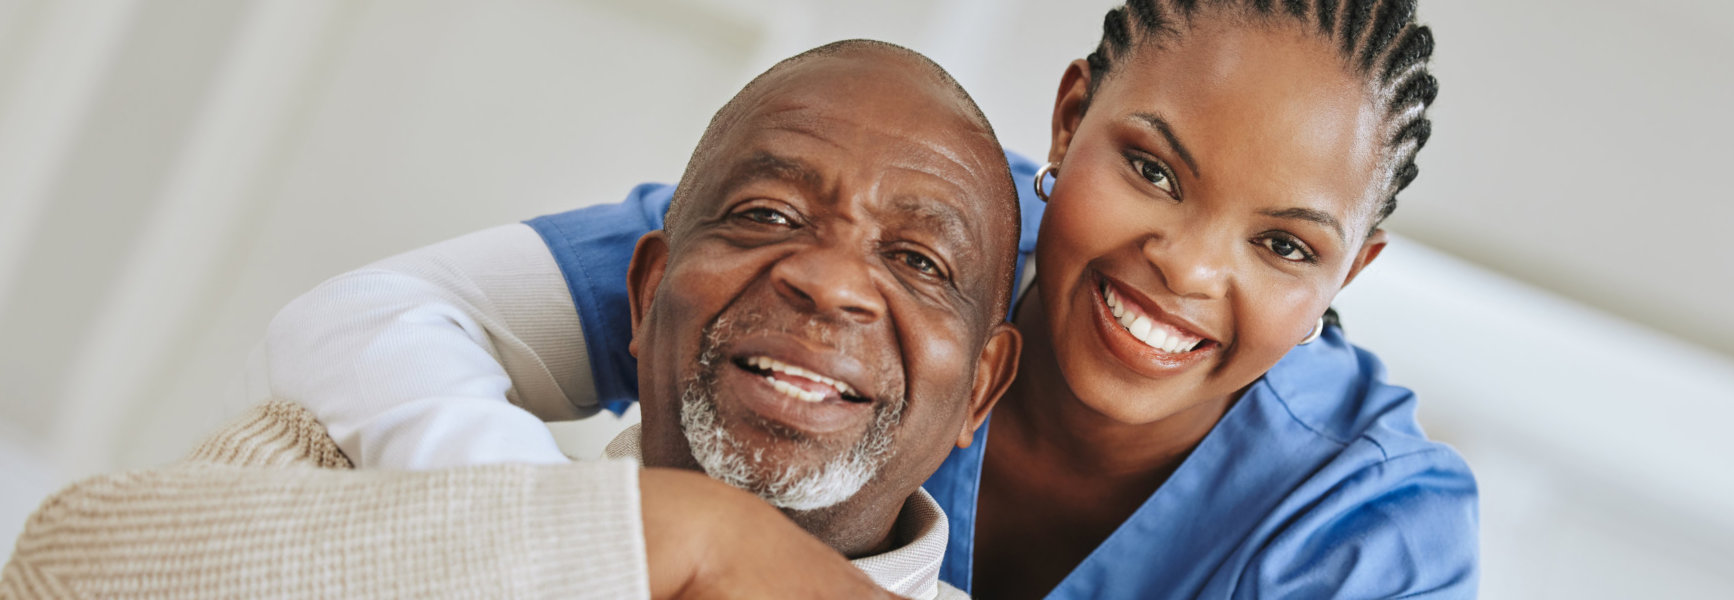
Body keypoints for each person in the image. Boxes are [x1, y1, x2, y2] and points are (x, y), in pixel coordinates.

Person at [270, 0, 1477, 597]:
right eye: (1152, 172)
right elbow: (370, 321)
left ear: (1347, 276)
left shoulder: (1368, 524)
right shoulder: (894, 236)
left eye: (1282, 244)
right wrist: (568, 536)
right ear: (1071, 119)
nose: (1188, 267)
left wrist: (732, 551)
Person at [1, 39, 1022, 600]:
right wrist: (673, 538)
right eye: (766, 214)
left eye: (918, 260)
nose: (830, 283)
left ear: (980, 388)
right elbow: (62, 564)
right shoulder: (346, 470)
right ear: (645, 291)